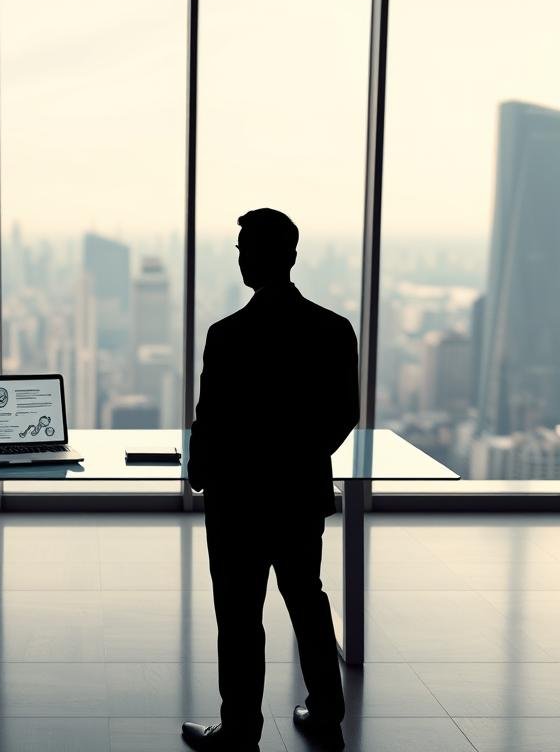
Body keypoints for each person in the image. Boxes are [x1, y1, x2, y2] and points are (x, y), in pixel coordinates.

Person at [181, 208, 359, 751]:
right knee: (306, 598)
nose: (240, 256)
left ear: (269, 255)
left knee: (238, 615)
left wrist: (202, 473)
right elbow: (343, 412)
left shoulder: (227, 335)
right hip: (299, 493)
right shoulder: (333, 329)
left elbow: (209, 418)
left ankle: (240, 730)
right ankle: (327, 711)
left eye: (245, 247)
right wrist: (299, 459)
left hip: (237, 500)